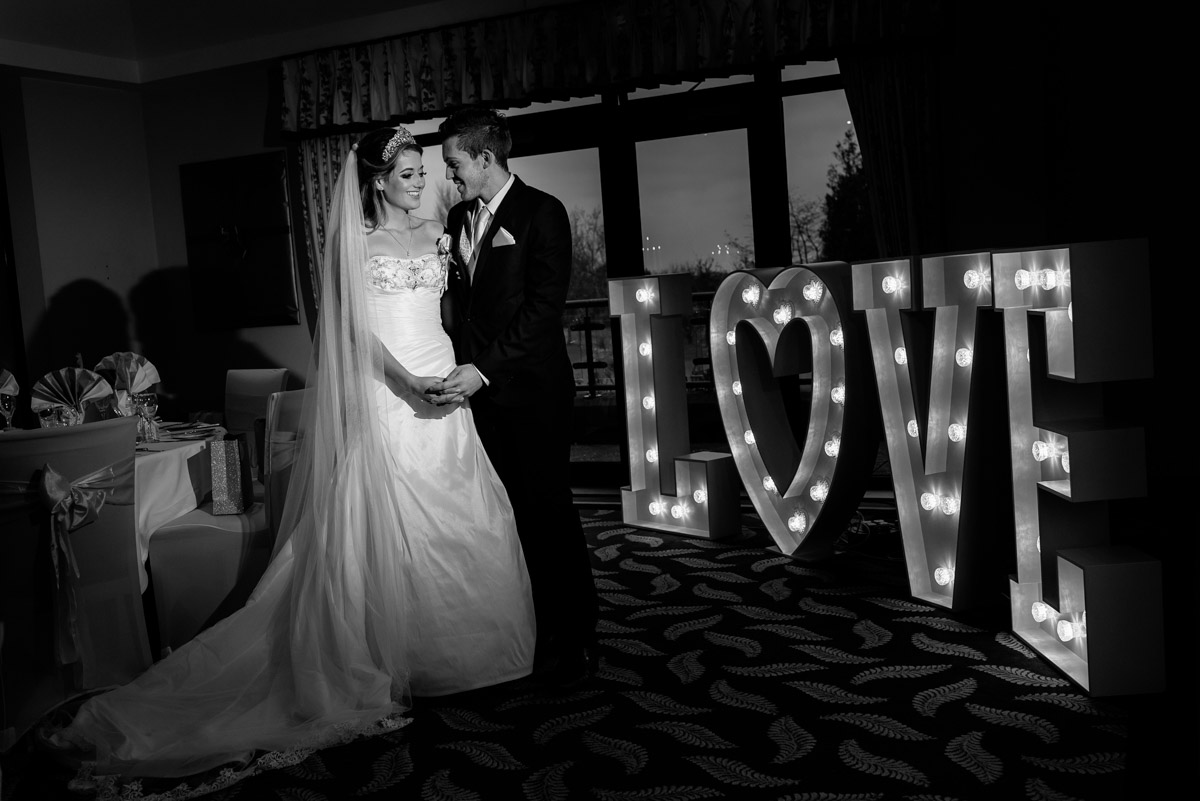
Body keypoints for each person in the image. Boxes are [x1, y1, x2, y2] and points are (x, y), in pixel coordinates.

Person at [50, 125, 536, 784]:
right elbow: (354, 334)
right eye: (409, 174)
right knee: (386, 522)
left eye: (425, 172)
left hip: (444, 381)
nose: (422, 184)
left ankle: (456, 657)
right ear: (375, 181)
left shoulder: (439, 235)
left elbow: (452, 315)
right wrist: (405, 381)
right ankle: (387, 655)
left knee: (459, 509)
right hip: (390, 388)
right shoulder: (355, 246)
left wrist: (459, 370)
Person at [434, 107, 599, 687]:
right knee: (504, 516)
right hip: (477, 395)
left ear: (485, 157)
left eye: (456, 163)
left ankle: (577, 633)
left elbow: (541, 313)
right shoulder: (455, 218)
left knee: (548, 510)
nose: (451, 175)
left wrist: (483, 369)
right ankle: (529, 625)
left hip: (533, 391)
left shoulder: (543, 212)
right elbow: (457, 303)